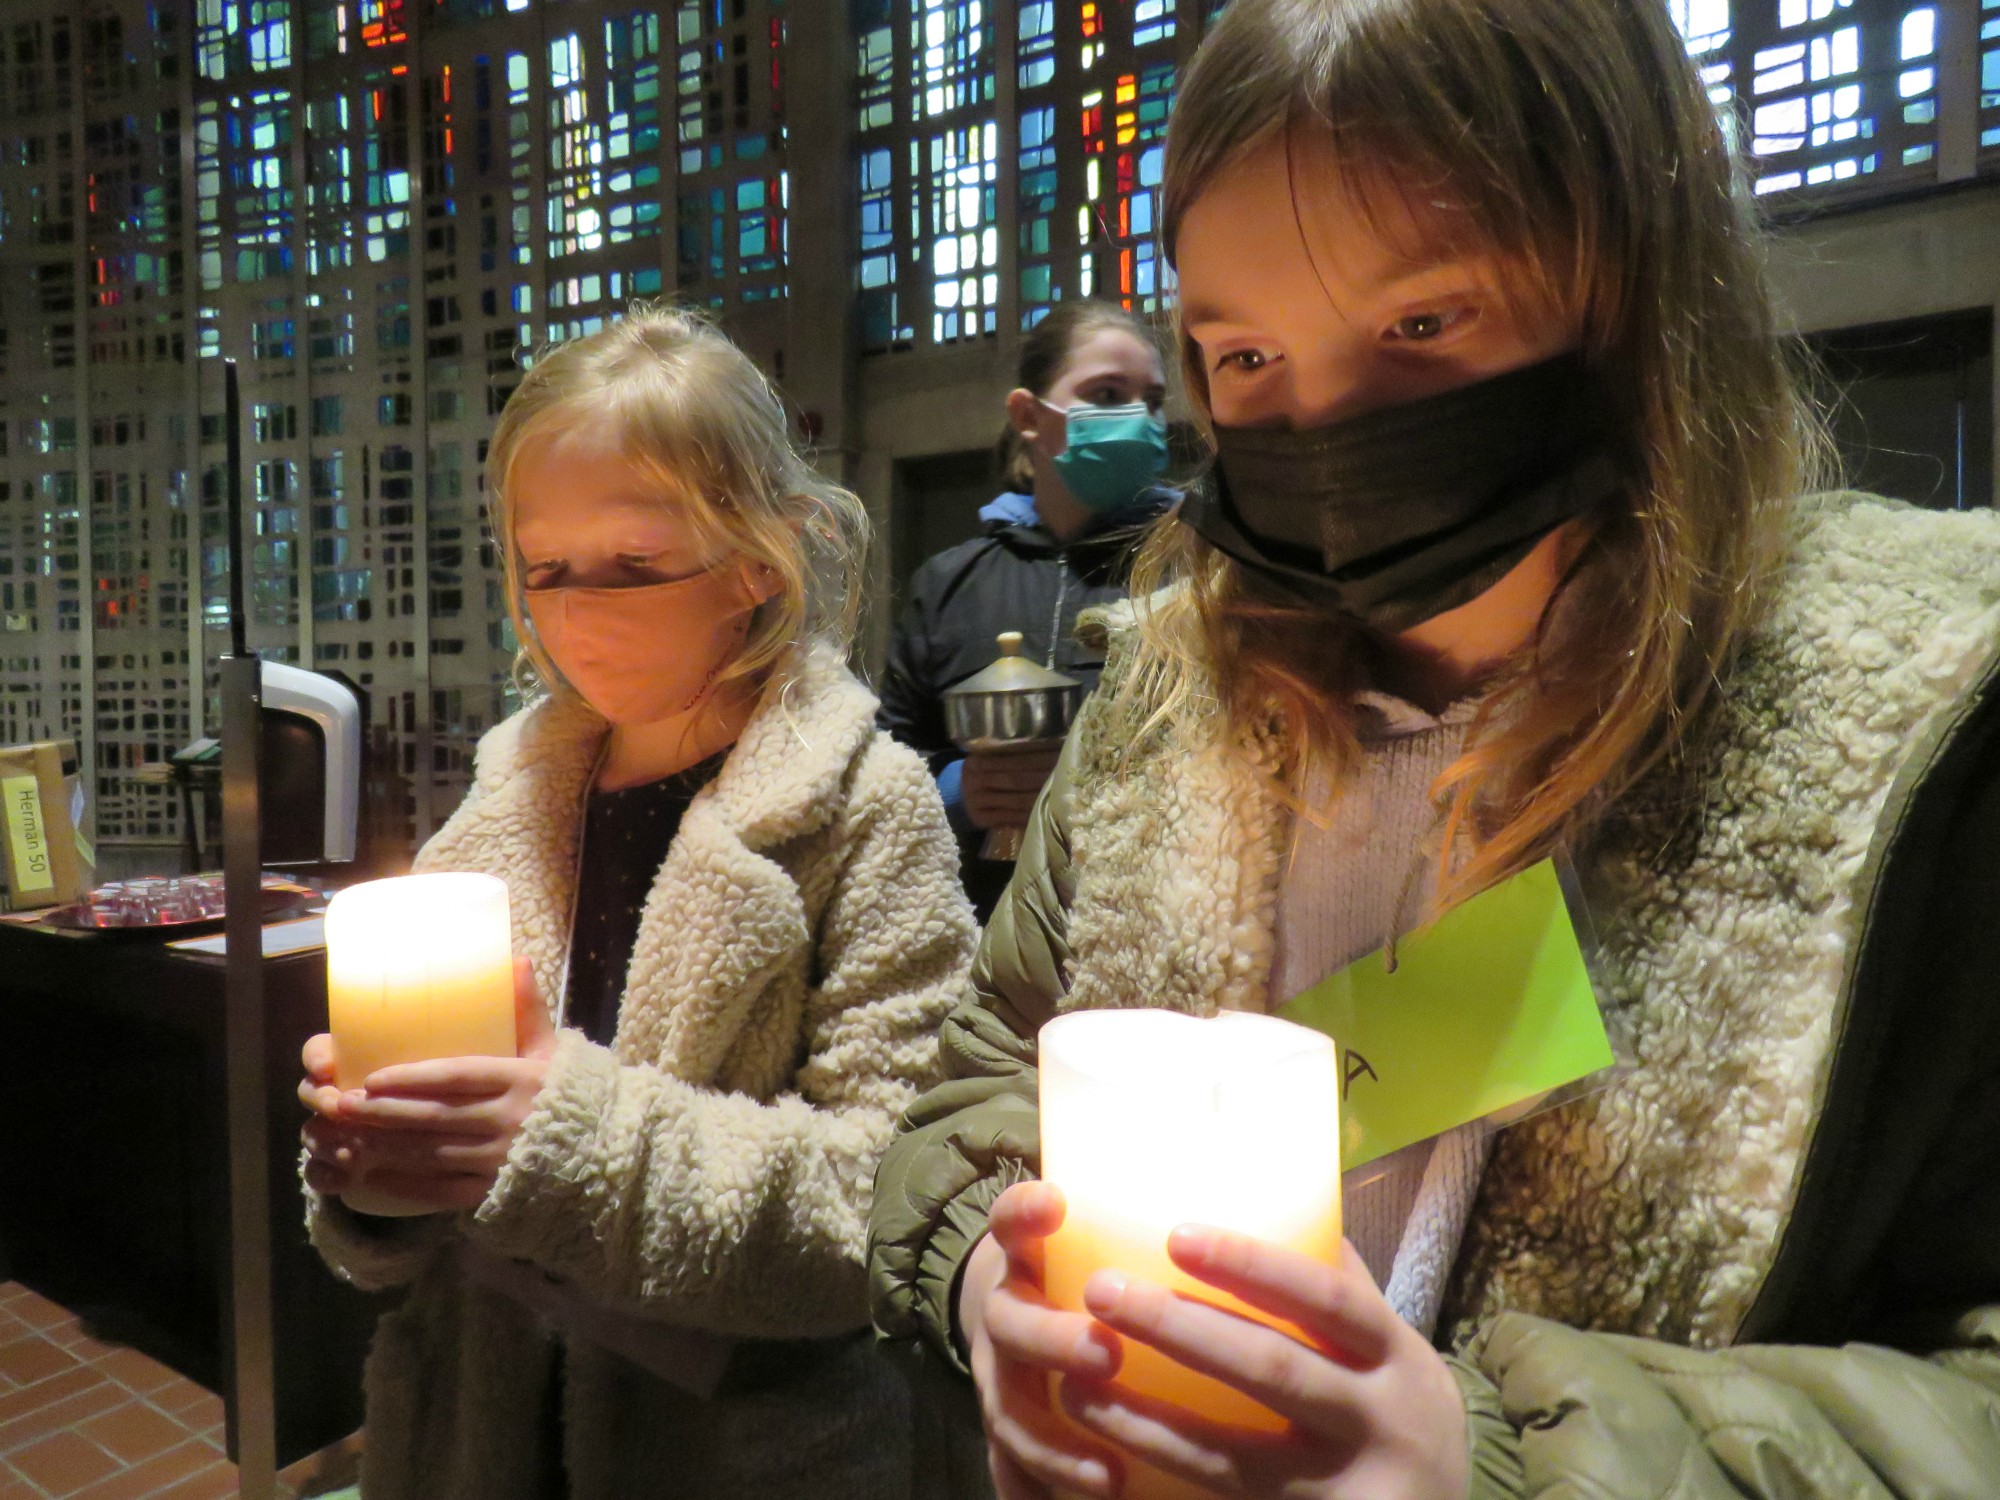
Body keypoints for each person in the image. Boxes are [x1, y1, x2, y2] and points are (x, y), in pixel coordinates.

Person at [867, 0, 2000, 1496]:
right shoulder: (1170, 714)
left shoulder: (1932, 739)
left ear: (1638, 286)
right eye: (1247, 353)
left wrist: (1495, 1463)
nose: (1325, 425)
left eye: (1420, 323)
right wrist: (989, 1288)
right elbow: (983, 1086)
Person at [298, 307, 977, 1500]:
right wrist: (387, 1176)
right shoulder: (514, 788)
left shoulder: (868, 806)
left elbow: (891, 1200)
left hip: (738, 1448)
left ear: (759, 561)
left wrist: (561, 1139)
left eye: (634, 565)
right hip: (479, 1431)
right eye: (546, 569)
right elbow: (446, 1156)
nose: (575, 610)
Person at [878, 300, 1175, 921]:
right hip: (981, 930)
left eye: (1149, 401)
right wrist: (962, 792)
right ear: (1029, 416)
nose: (1136, 419)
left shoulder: (1196, 569)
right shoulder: (951, 583)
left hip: (1153, 915)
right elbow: (884, 769)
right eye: (1106, 392)